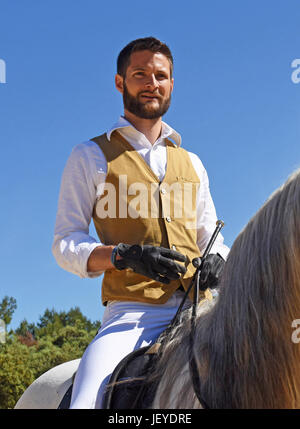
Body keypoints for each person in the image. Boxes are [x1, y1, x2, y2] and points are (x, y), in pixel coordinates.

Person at [52, 36, 230, 409]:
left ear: (171, 83)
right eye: (140, 74)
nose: (152, 83)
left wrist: (219, 260)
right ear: (121, 82)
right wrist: (122, 255)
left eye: (160, 75)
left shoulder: (193, 162)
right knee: (85, 401)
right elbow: (65, 242)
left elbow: (209, 236)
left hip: (204, 309)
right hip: (133, 313)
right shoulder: (89, 155)